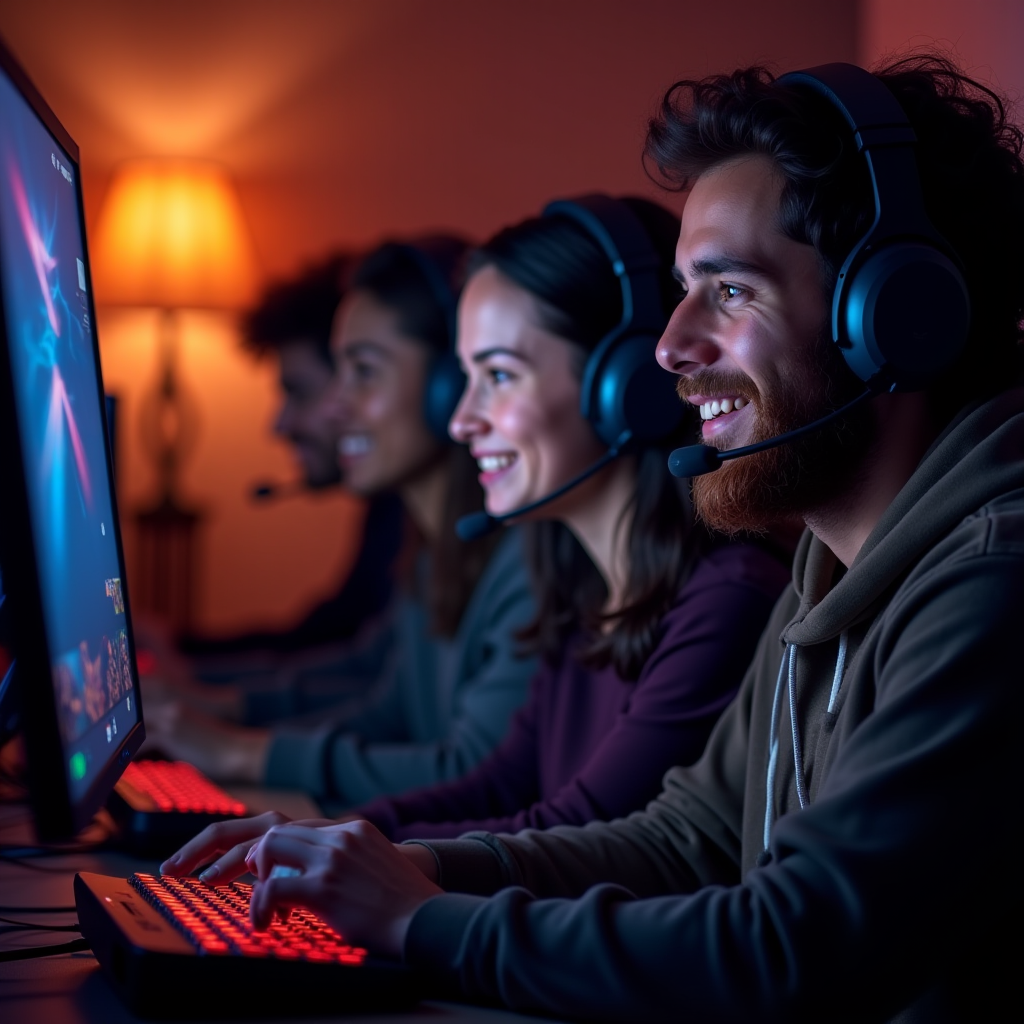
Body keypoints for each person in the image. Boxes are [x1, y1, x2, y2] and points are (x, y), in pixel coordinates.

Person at [195, 56, 1023, 1022]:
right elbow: (686, 839)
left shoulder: (991, 580)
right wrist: (409, 867)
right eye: (680, 291)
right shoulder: (830, 572)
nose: (669, 347)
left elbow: (793, 946)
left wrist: (421, 921)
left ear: (890, 316)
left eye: (729, 290)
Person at [163, 196, 790, 876]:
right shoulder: (581, 583)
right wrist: (323, 834)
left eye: (497, 376)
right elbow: (499, 784)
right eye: (466, 379)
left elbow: (583, 828)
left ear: (623, 388)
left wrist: (386, 859)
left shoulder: (727, 599)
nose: (461, 422)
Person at [145, 239, 538, 809]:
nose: (334, 406)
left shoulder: (525, 557)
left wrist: (240, 750)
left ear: (448, 385)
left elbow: (473, 768)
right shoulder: (428, 550)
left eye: (364, 372)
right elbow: (385, 703)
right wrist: (217, 713)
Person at [178, 254, 404, 657]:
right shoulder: (392, 517)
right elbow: (330, 639)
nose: (278, 425)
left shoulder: (418, 525)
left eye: (298, 391)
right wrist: (185, 654)